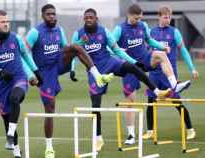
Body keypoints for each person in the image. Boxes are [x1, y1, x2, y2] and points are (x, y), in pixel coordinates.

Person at [71, 8, 172, 151]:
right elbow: (73, 52)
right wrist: (72, 69)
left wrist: (134, 62)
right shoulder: (78, 34)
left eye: (91, 17)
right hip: (95, 70)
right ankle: (98, 138)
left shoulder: (104, 31)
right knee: (95, 104)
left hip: (110, 62)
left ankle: (157, 92)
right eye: (86, 18)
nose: (88, 20)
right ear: (84, 19)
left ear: (96, 18)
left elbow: (117, 50)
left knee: (133, 68)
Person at [25, 4, 113, 158]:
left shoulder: (59, 30)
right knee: (50, 109)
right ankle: (49, 147)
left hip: (58, 63)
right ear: (43, 16)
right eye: (48, 14)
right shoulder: (35, 32)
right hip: (44, 72)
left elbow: (65, 48)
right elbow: (23, 53)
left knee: (75, 47)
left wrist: (80, 43)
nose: (52, 16)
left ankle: (97, 76)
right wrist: (30, 74)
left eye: (54, 14)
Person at [112, 4, 191, 145]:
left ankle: (174, 85)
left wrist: (162, 47)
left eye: (141, 17)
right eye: (137, 18)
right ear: (129, 15)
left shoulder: (142, 26)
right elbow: (110, 45)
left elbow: (149, 40)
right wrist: (117, 52)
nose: (139, 20)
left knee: (161, 55)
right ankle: (131, 135)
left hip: (145, 59)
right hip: (130, 66)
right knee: (130, 100)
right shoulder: (119, 29)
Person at [0, 10, 40, 158]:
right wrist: (0, 72)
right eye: (3, 21)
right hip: (2, 84)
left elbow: (26, 55)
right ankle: (17, 152)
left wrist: (35, 72)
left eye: (8, 21)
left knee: (15, 98)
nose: (6, 24)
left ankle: (10, 133)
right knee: (7, 118)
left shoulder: (16, 38)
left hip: (19, 79)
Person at [143, 5, 198, 140]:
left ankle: (190, 129)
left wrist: (192, 68)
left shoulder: (175, 32)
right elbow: (146, 52)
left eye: (169, 17)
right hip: (154, 74)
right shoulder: (151, 32)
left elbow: (183, 50)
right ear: (159, 17)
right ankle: (150, 131)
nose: (168, 19)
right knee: (151, 102)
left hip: (169, 74)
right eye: (165, 17)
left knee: (177, 102)